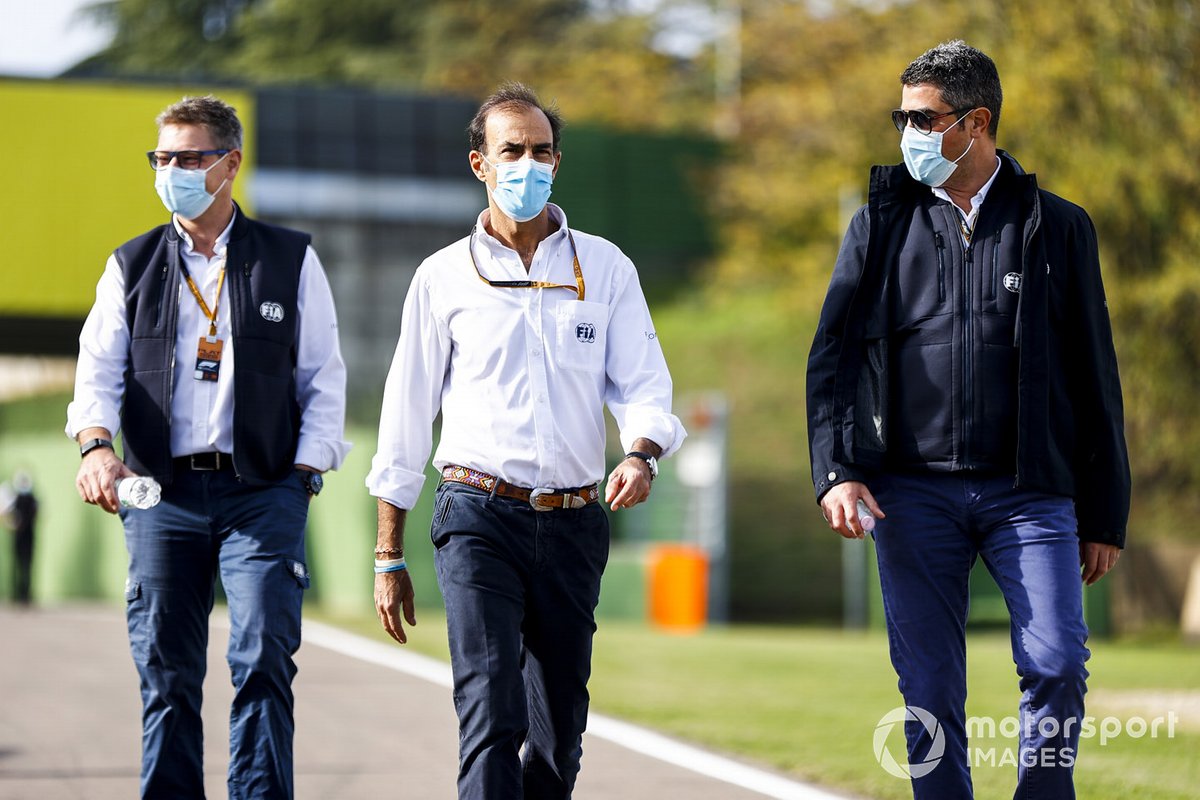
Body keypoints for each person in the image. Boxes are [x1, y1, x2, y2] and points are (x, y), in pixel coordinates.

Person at [806, 41, 1130, 799]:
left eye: (922, 118)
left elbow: (1096, 376)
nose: (906, 133)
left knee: (1056, 663)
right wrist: (837, 471)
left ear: (975, 123)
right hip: (910, 495)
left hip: (1032, 492)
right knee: (928, 692)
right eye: (902, 117)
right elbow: (833, 362)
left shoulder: (1060, 227)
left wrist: (1105, 512)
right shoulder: (878, 228)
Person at [368, 82, 685, 799]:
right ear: (480, 163)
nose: (528, 164)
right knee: (491, 707)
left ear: (558, 161)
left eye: (542, 151)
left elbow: (643, 383)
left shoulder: (604, 269)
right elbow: (405, 416)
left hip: (575, 523)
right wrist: (389, 552)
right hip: (477, 514)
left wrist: (640, 452)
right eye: (512, 150)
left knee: (558, 732)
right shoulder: (442, 276)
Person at [67, 95, 350, 799]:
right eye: (163, 158)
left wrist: (304, 476)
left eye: (191, 158)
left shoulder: (291, 259)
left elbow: (323, 376)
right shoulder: (129, 266)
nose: (174, 171)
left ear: (231, 163)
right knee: (166, 671)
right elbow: (96, 375)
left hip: (261, 493)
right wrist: (97, 448)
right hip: (159, 496)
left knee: (261, 658)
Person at [4, 471, 38, 605]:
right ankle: (18, 593)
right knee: (19, 566)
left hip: (27, 538)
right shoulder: (17, 498)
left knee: (25, 566)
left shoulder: (30, 499)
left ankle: (25, 594)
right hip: (20, 538)